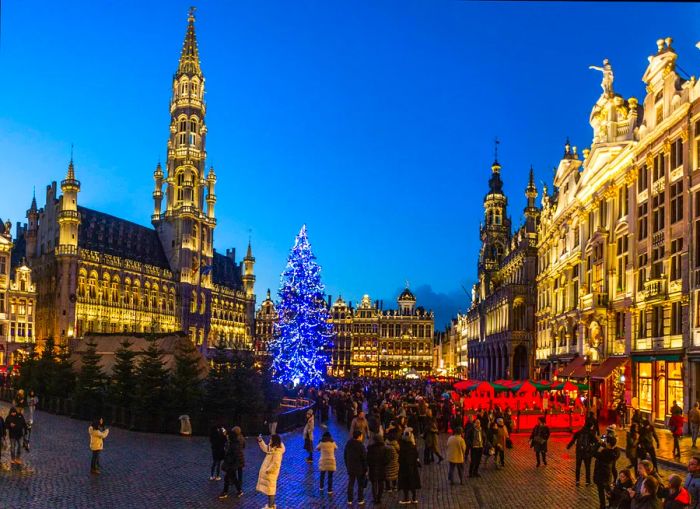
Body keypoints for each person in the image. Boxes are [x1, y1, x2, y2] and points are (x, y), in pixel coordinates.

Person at [256, 434, 285, 509]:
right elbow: (266, 448)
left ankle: (270, 506)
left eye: (271, 439)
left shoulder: (277, 451)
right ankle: (271, 505)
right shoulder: (273, 447)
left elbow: (276, 464)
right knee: (270, 490)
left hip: (271, 474)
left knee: (271, 490)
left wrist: (268, 470)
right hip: (270, 473)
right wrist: (260, 441)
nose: (270, 440)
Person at [593, 435, 620, 509]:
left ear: (608, 444)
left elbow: (593, 452)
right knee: (608, 491)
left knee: (601, 492)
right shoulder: (616, 452)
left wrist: (599, 443)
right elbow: (615, 449)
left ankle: (603, 506)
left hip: (600, 474)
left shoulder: (603, 452)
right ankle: (612, 505)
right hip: (607, 474)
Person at [219, 426, 245, 499]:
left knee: (228, 478)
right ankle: (239, 490)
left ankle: (225, 492)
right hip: (236, 462)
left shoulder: (234, 444)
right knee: (233, 477)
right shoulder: (240, 439)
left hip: (232, 463)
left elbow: (232, 454)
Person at [398, 428, 421, 505]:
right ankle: (414, 498)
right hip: (412, 468)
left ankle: (406, 498)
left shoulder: (402, 447)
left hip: (404, 468)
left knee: (405, 483)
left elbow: (400, 458)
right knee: (413, 482)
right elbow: (416, 456)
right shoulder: (413, 447)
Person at [345, 429, 368, 505]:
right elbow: (364, 458)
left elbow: (345, 455)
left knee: (351, 483)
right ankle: (360, 499)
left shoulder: (348, 444)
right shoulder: (361, 446)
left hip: (351, 467)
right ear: (359, 436)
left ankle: (349, 499)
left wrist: (347, 465)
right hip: (359, 469)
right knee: (360, 484)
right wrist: (366, 469)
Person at [367, 434, 391, 505]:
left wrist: (370, 465)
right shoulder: (385, 449)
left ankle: (375, 499)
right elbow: (387, 460)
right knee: (381, 484)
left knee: (374, 484)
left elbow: (368, 459)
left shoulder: (370, 448)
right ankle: (379, 498)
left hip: (373, 468)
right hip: (382, 469)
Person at [317, 431, 337, 495]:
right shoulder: (332, 442)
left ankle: (321, 487)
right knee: (330, 476)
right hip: (331, 461)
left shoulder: (321, 443)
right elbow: (336, 448)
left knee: (322, 475)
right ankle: (329, 490)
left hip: (323, 461)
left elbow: (317, 448)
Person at [384, 428, 400, 493]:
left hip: (387, 462)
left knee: (387, 474)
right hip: (395, 462)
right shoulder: (396, 445)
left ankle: (388, 488)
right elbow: (399, 451)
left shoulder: (385, 445)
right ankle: (395, 486)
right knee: (395, 474)